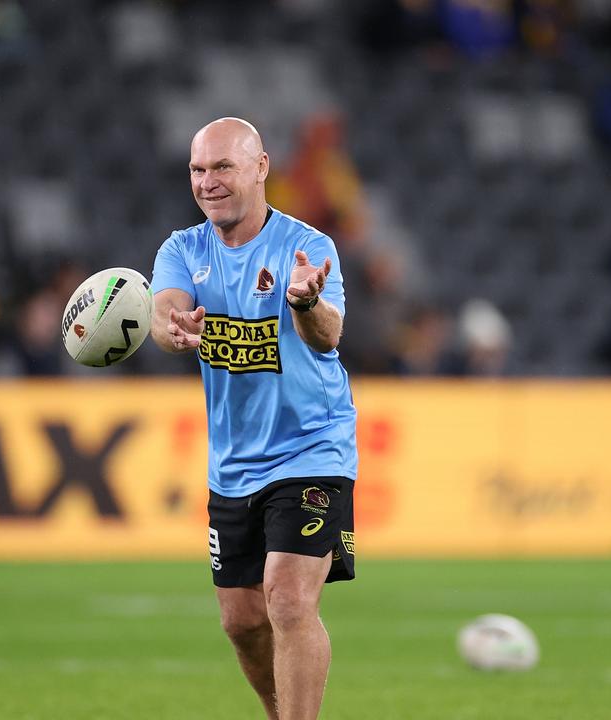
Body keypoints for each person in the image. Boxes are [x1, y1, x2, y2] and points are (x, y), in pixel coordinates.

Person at [150, 118, 358, 720]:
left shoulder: (308, 248)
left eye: (223, 168)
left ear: (261, 167)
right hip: (234, 463)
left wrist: (304, 301)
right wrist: (172, 327)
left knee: (289, 602)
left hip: (313, 448)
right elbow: (165, 314)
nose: (207, 182)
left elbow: (327, 337)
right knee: (242, 622)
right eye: (197, 170)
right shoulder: (183, 249)